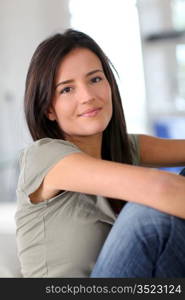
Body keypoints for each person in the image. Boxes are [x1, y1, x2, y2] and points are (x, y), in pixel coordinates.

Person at [15, 28, 185, 278]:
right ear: (49, 109)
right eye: (67, 89)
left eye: (95, 79)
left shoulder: (120, 147)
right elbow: (160, 189)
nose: (88, 97)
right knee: (146, 216)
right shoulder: (43, 157)